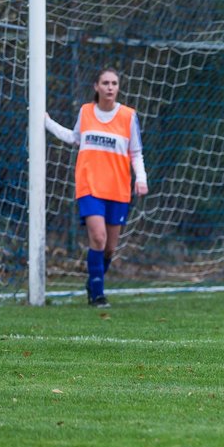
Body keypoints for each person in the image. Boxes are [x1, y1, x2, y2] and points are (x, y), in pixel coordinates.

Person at [44, 68, 150, 308]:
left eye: (114, 83)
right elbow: (74, 138)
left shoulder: (128, 116)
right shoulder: (86, 112)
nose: (110, 87)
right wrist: (47, 123)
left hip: (118, 189)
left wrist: (140, 178)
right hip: (90, 186)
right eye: (105, 83)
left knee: (110, 248)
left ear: (118, 87)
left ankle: (94, 280)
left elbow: (136, 152)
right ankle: (97, 294)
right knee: (98, 237)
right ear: (96, 86)